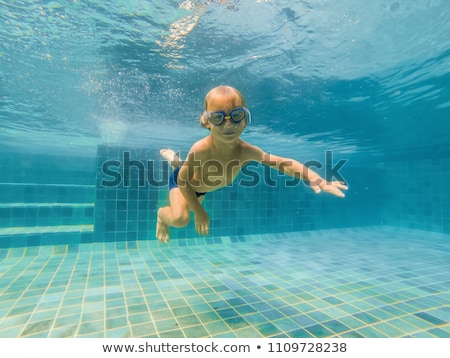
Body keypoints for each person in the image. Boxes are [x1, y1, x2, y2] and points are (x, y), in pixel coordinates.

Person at [156, 85, 348, 243]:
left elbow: (282, 164)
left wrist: (314, 177)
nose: (228, 125)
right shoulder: (201, 149)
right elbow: (184, 181)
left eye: (236, 116)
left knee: (189, 171)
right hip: (184, 184)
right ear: (207, 122)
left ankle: (177, 162)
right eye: (218, 118)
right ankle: (161, 217)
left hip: (201, 186)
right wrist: (200, 212)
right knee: (181, 219)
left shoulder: (247, 151)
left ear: (246, 119)